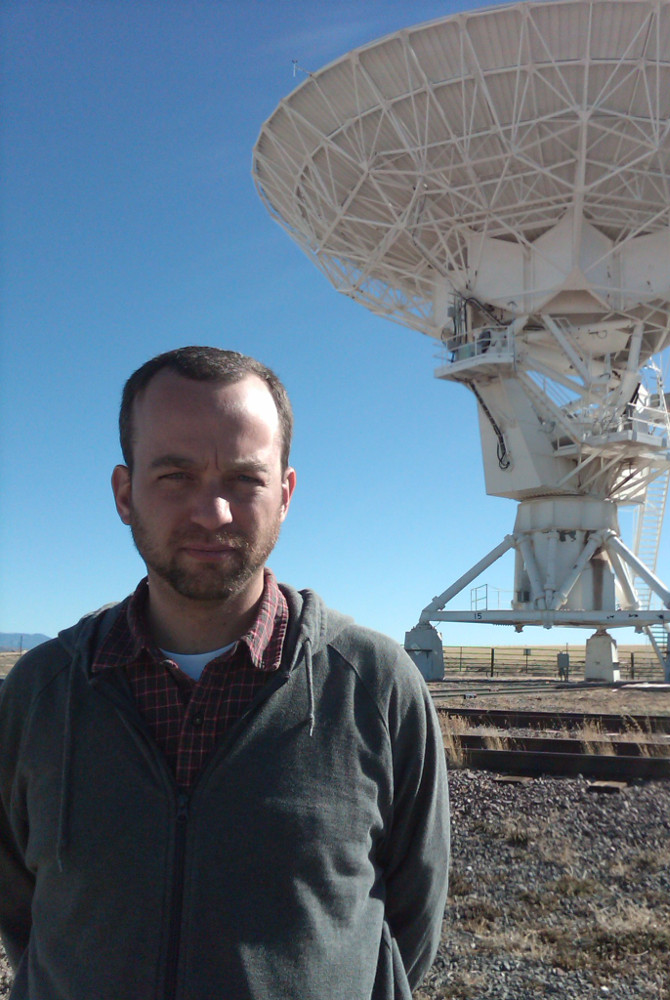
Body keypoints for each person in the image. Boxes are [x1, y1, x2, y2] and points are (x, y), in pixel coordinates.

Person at [0, 346, 449, 1000]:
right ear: (125, 495)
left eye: (244, 478)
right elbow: (22, 913)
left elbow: (408, 927)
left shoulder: (376, 688)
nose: (213, 514)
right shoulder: (42, 693)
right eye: (175, 476)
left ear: (286, 493)